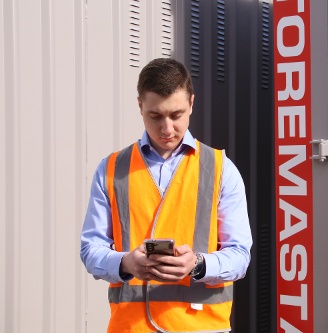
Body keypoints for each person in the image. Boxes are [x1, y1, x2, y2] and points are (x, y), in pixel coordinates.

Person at [80, 57, 252, 333]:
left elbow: (241, 255)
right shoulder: (111, 169)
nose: (167, 129)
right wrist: (125, 263)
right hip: (131, 327)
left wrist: (198, 264)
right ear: (140, 106)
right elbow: (90, 250)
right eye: (155, 116)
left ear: (191, 104)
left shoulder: (221, 169)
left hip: (201, 328)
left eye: (176, 115)